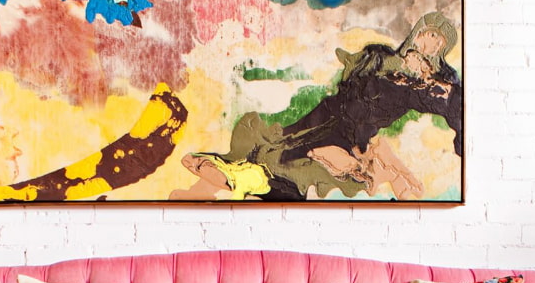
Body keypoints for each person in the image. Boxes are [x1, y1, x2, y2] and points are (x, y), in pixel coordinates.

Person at [175, 11, 462, 201]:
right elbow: (354, 74)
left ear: (441, 49)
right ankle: (238, 169)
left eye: (437, 40)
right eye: (428, 33)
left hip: (352, 132)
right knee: (282, 138)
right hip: (331, 108)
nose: (429, 41)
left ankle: (251, 180)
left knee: (299, 158)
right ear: (418, 31)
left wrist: (461, 135)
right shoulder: (380, 54)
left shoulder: (426, 85)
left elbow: (452, 104)